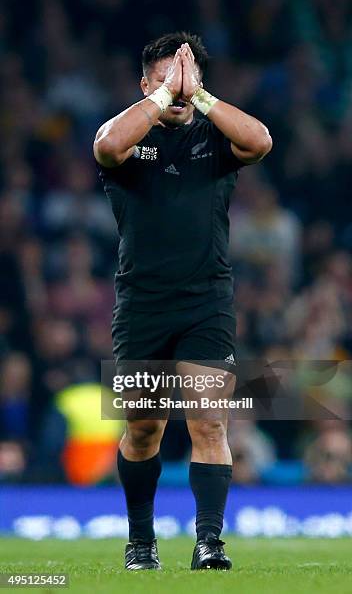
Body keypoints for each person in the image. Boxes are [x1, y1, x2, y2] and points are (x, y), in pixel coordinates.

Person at [94, 32, 272, 571]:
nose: (175, 89)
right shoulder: (128, 139)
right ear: (144, 83)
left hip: (206, 301)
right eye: (163, 79)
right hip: (142, 305)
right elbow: (106, 146)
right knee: (143, 428)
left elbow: (260, 141)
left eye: (183, 78)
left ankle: (209, 543)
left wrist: (200, 98)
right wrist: (161, 98)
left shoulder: (214, 139)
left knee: (208, 421)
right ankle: (141, 542)